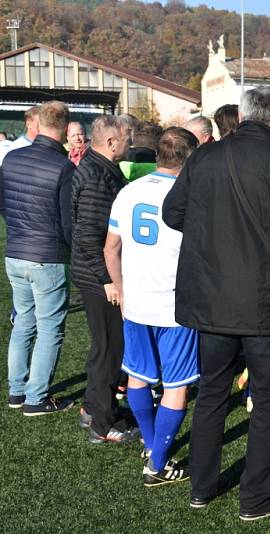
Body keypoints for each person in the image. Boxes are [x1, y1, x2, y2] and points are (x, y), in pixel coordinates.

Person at [163, 86, 270, 519]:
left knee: (214, 394)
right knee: (267, 399)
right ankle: (254, 496)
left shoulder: (206, 155)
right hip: (263, 301)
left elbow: (174, 212)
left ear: (243, 114)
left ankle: (202, 486)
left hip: (214, 299)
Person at [104, 127, 199, 486]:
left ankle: (149, 442)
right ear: (189, 160)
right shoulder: (190, 196)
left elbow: (109, 249)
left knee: (138, 376)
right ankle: (157, 465)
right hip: (175, 306)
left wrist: (123, 290)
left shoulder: (130, 191)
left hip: (138, 303)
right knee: (176, 386)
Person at [1, 101, 75, 415]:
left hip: (16, 251)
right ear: (66, 126)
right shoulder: (64, 167)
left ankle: (17, 391)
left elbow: (4, 205)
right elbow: (68, 221)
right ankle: (36, 397)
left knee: (23, 324)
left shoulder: (12, 158)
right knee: (48, 329)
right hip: (47, 255)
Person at [72, 115, 140, 443]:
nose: (131, 142)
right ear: (111, 143)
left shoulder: (97, 168)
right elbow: (87, 235)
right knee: (110, 347)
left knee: (106, 345)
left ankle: (93, 408)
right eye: (128, 137)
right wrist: (107, 280)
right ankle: (102, 424)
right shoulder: (98, 175)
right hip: (98, 277)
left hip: (95, 273)